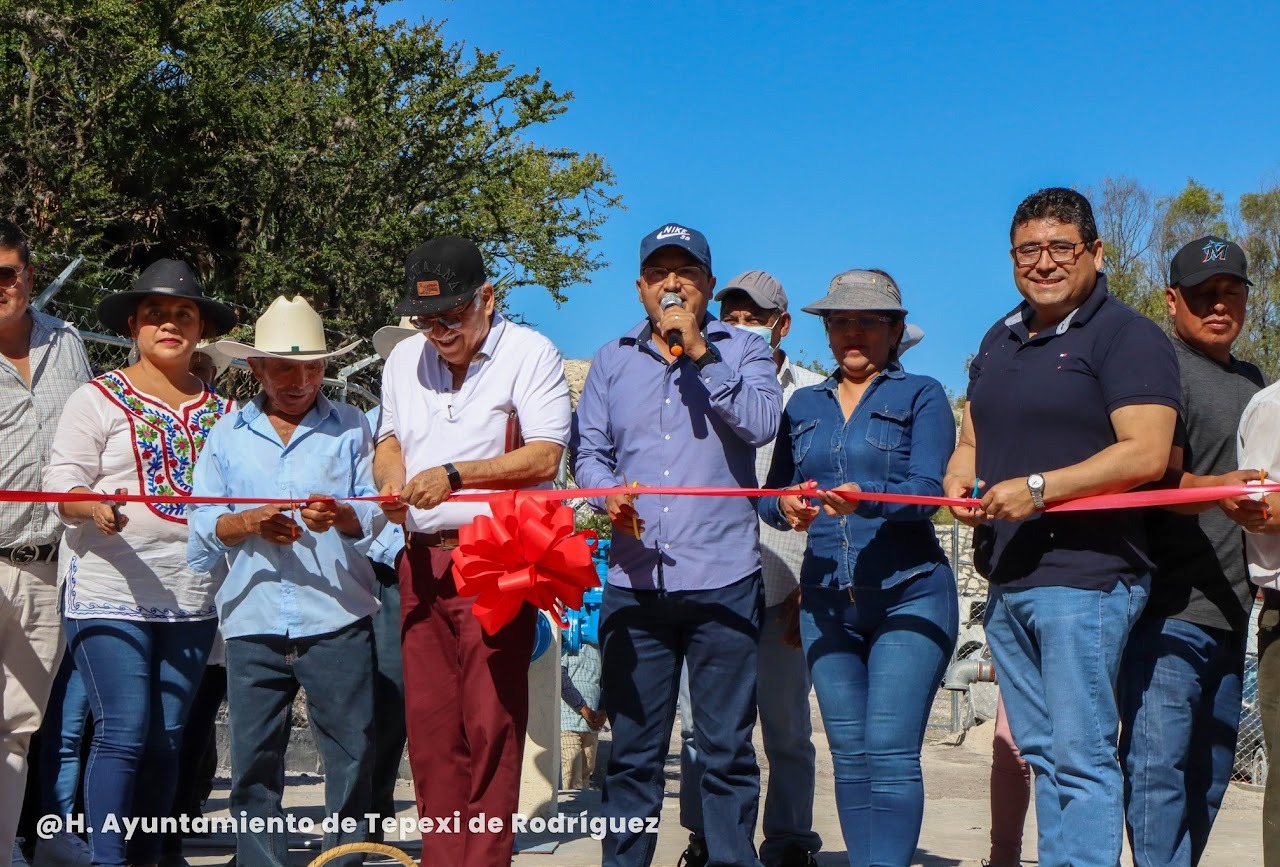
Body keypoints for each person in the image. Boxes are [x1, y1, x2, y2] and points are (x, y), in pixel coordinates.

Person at [944, 187, 1180, 867]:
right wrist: (961, 474)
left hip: (1086, 579)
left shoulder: (1127, 336)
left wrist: (1042, 490)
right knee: (1042, 757)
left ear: (1095, 253)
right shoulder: (999, 336)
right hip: (1010, 579)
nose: (1042, 262)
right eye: (1028, 250)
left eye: (1059, 247)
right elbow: (973, 433)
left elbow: (1146, 450)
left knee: (1080, 759)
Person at [571, 223, 783, 867]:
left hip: (722, 580)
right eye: (659, 272)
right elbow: (590, 454)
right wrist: (607, 493)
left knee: (723, 751)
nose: (672, 283)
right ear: (640, 288)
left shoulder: (744, 351)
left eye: (686, 273)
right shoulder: (611, 359)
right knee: (633, 752)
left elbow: (760, 422)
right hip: (636, 587)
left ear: (709, 288)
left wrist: (699, 353)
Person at [373, 237, 570, 867]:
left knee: (491, 726)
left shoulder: (531, 352)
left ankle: (484, 861)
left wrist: (457, 475)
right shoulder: (403, 360)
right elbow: (389, 441)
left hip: (496, 561)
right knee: (431, 734)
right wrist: (389, 483)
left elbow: (545, 455)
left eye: (451, 317)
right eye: (425, 321)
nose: (438, 333)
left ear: (487, 298)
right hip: (419, 561)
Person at [43, 259, 237, 867]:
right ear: (134, 324)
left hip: (192, 596)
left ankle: (154, 854)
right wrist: (92, 507)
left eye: (183, 313)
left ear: (200, 327)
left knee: (167, 738)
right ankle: (108, 859)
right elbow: (61, 485)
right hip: (109, 589)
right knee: (124, 731)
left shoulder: (227, 415)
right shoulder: (95, 398)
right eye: (156, 314)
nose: (170, 324)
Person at [761, 269, 957, 867]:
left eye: (869, 321)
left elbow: (928, 490)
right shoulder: (802, 404)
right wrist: (785, 504)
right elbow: (769, 495)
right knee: (848, 752)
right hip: (823, 598)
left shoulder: (923, 394)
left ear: (896, 331)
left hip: (910, 593)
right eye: (840, 320)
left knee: (891, 751)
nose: (853, 332)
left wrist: (865, 495)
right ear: (824, 331)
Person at [187, 295, 380, 867]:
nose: (300, 380)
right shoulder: (225, 437)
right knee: (252, 761)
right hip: (253, 619)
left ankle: (342, 860)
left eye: (313, 367)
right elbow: (201, 525)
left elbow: (375, 513)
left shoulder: (352, 427)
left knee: (352, 754)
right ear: (256, 369)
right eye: (286, 368)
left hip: (336, 618)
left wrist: (342, 515)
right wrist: (246, 522)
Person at [1120, 236, 1266, 866]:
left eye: (1230, 293)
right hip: (1168, 610)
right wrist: (1223, 490)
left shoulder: (1256, 382)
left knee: (1208, 776)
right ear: (1172, 299)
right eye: (1203, 295)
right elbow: (1154, 482)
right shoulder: (1161, 372)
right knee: (1158, 773)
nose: (1218, 306)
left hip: (1235, 609)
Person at [678, 270, 825, 867]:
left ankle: (789, 844)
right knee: (700, 732)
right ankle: (707, 839)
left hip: (783, 587)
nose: (739, 326)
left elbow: (825, 499)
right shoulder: (688, 378)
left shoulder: (811, 396)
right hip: (707, 585)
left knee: (787, 729)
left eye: (753, 317)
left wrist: (808, 588)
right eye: (730, 315)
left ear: (781, 326)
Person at [0, 219, 93, 867]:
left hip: (48, 566)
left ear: (29, 275)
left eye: (6, 273)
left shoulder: (69, 342)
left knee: (17, 728)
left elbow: (91, 441)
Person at [560, 643, 604, 790]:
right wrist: (583, 708)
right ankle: (572, 813)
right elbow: (561, 679)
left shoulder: (599, 647)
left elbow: (607, 681)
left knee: (586, 776)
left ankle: (582, 813)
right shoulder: (567, 643)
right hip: (569, 722)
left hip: (592, 724)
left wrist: (603, 712)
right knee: (572, 777)